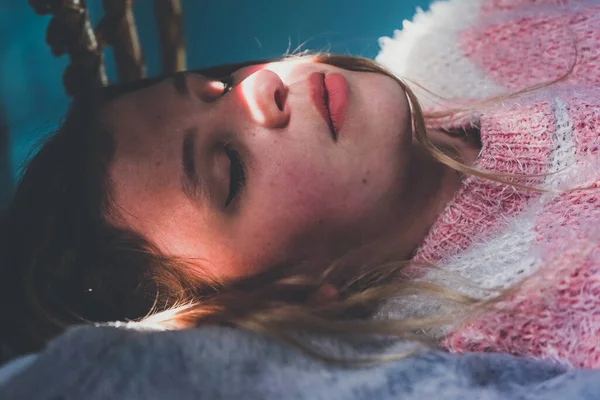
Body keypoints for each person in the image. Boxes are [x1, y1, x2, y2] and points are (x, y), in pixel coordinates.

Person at [1, 0, 599, 369]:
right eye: (231, 169)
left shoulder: (472, 36)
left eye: (222, 84)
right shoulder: (530, 329)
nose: (262, 88)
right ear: (283, 300)